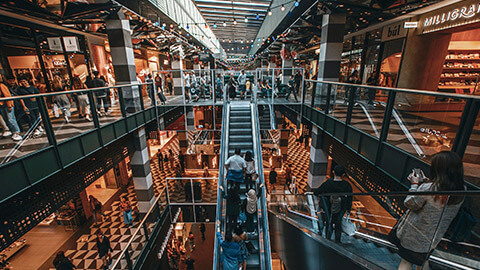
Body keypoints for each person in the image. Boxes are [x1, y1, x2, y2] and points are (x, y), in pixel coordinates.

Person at [392, 151, 465, 270]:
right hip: (433, 237)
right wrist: (426, 182)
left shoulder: (429, 188)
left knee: (406, 262)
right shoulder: (461, 190)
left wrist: (415, 185)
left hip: (414, 234)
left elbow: (410, 203)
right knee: (423, 261)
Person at [313, 165, 353, 243]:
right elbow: (349, 198)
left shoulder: (328, 184)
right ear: (343, 174)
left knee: (329, 222)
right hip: (341, 208)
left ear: (333, 172)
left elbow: (316, 192)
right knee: (338, 223)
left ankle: (328, 239)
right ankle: (337, 240)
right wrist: (348, 209)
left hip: (329, 208)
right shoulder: (347, 185)